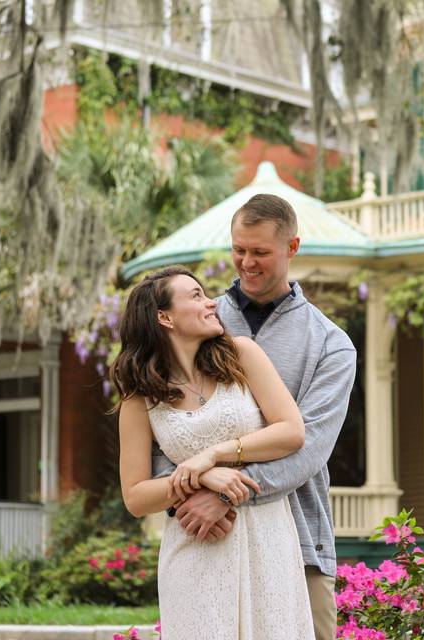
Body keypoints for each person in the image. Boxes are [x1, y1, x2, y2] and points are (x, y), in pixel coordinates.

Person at [152, 194, 357, 640]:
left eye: (260, 252)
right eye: (239, 249)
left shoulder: (331, 345)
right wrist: (189, 494)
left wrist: (226, 495)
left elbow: (308, 448)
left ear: (292, 248)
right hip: (202, 536)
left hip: (298, 541)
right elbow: (165, 428)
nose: (246, 263)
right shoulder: (199, 320)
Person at [113, 265, 315, 639]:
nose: (211, 303)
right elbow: (136, 496)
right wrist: (200, 477)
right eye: (195, 296)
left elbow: (291, 431)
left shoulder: (242, 355)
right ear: (164, 317)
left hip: (265, 537)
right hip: (196, 546)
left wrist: (214, 456)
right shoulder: (140, 399)